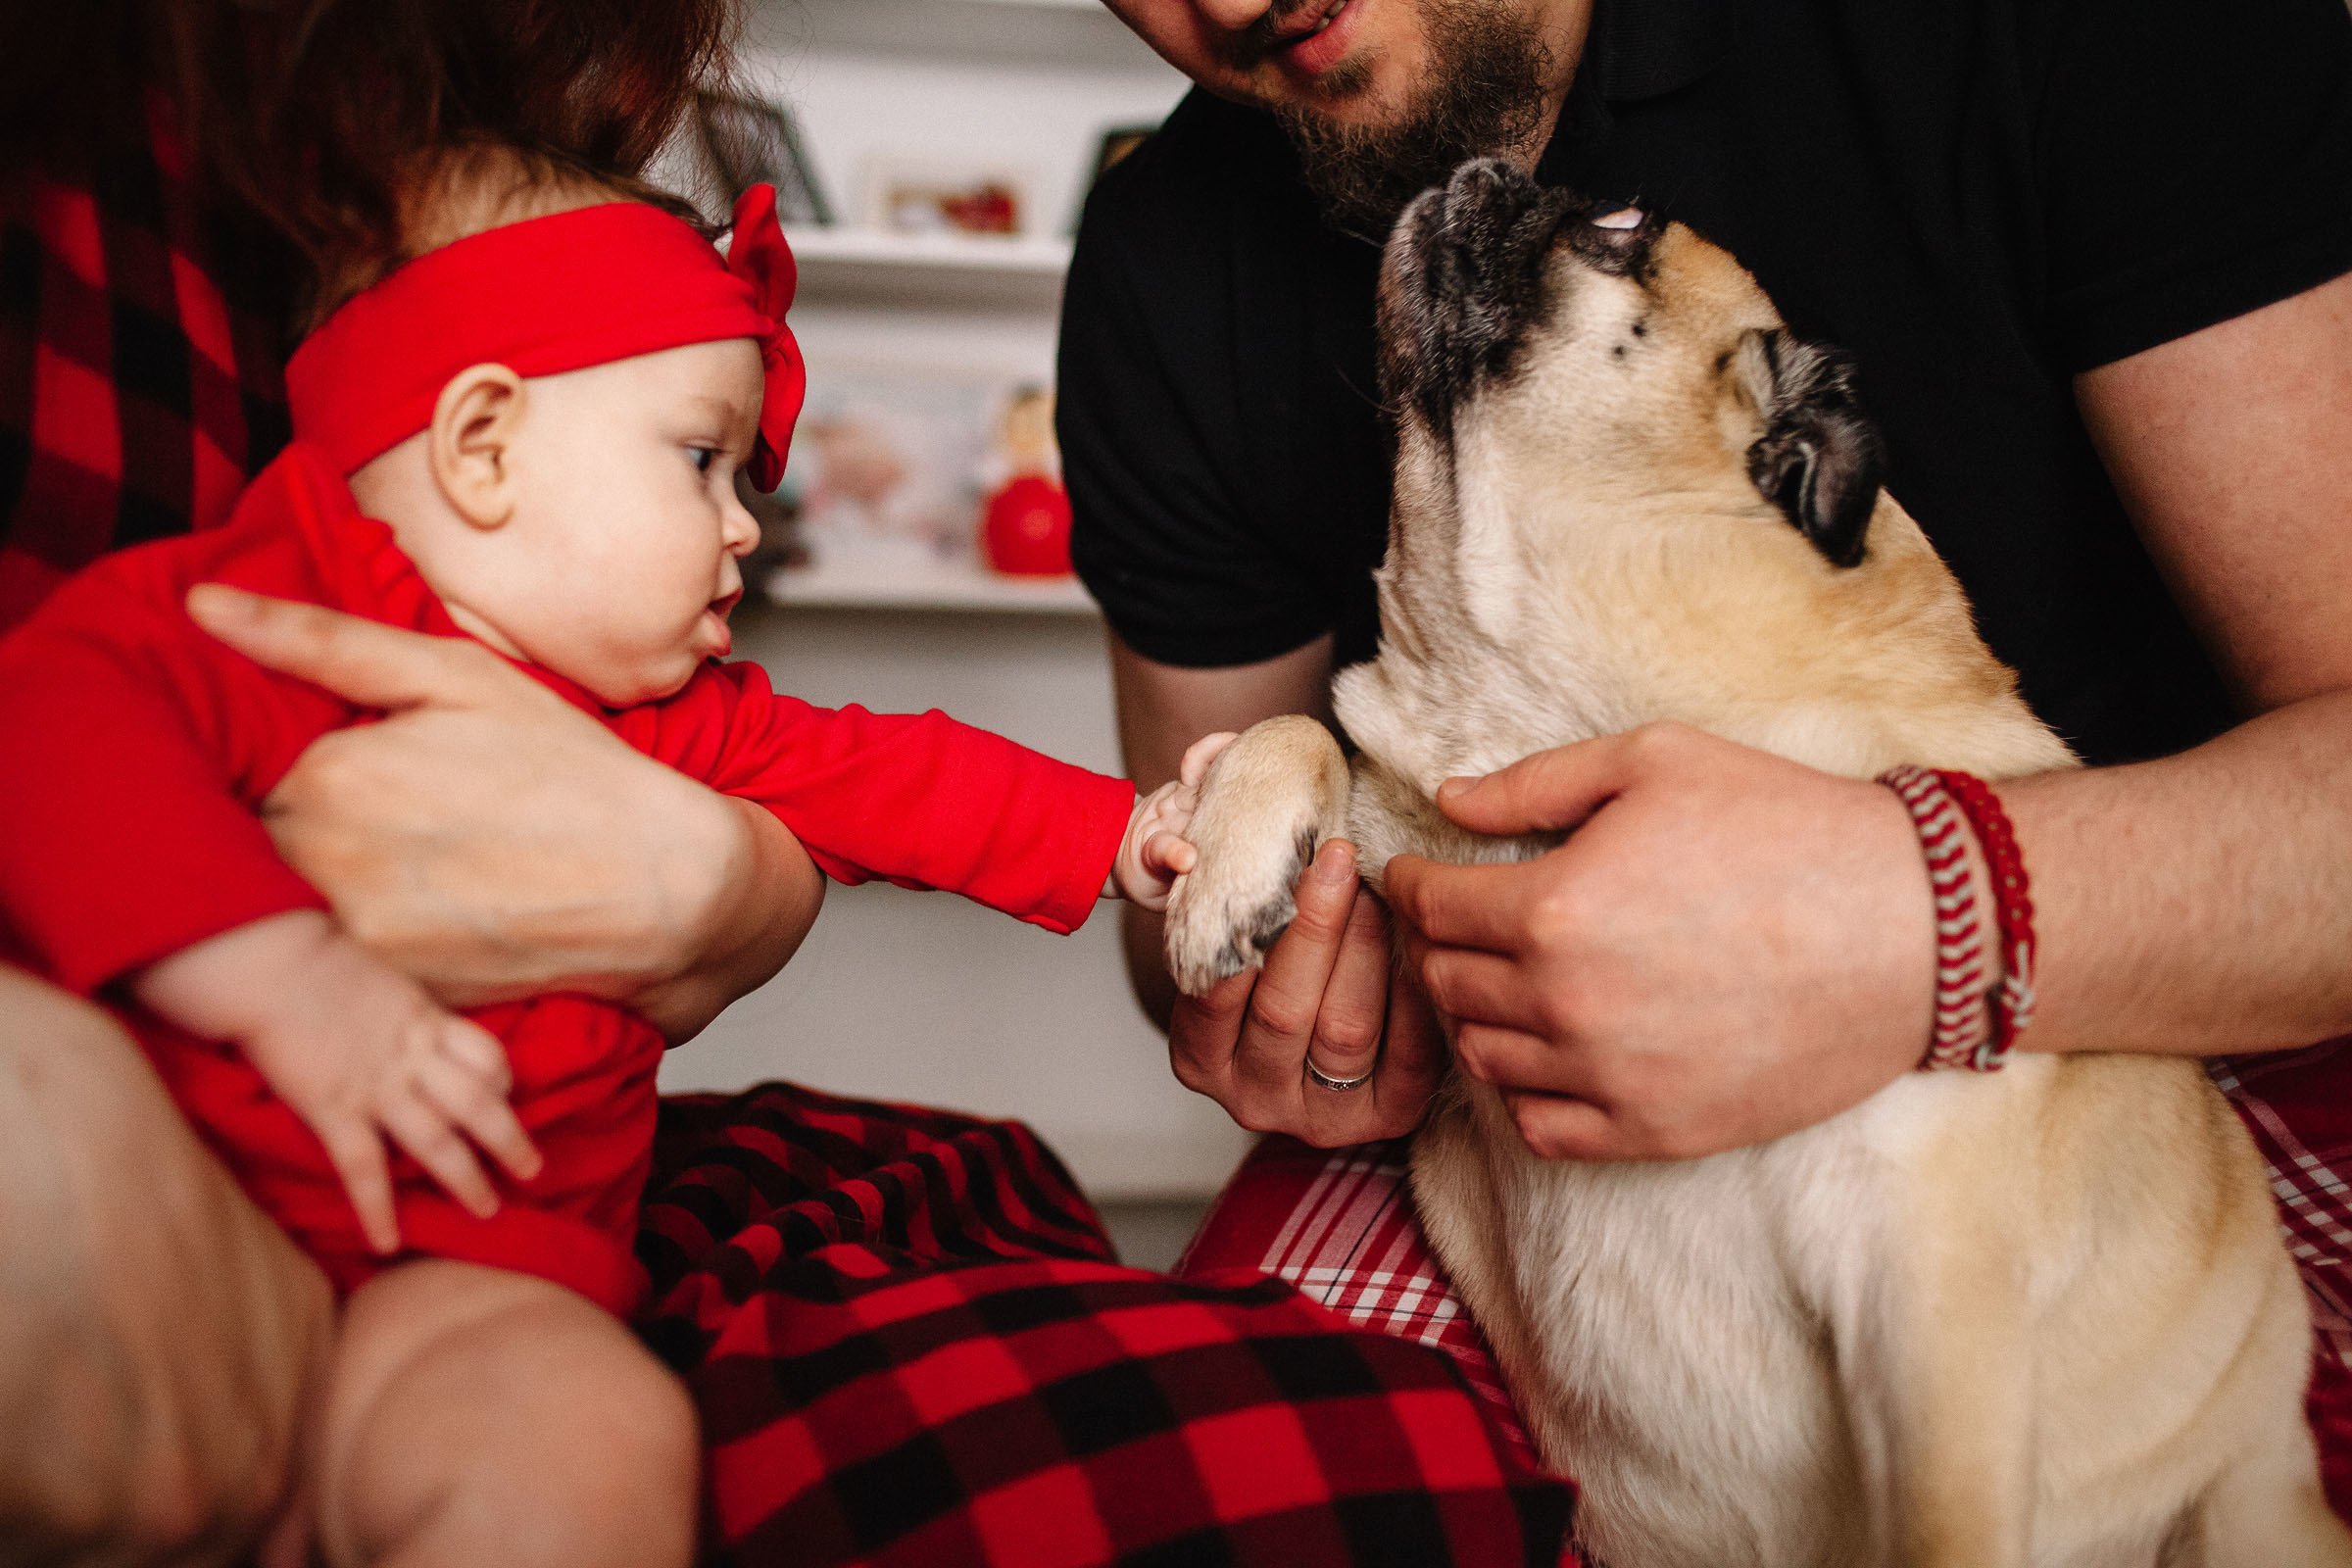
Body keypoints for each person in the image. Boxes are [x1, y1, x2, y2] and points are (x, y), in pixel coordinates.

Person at [0, 7, 1576, 1565]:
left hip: (485, 1281)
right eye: (700, 463)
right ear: (482, 446)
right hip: (212, 1189)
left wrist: (1132, 835)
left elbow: (896, 774)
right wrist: (283, 978)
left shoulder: (679, 712)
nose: (747, 527)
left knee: (581, 1447)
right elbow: (59, 724)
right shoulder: (268, 608)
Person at [1062, 0, 2352, 1505]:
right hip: (1492, 1120)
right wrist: (1294, 993)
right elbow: (1188, 923)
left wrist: (1914, 911)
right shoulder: (1164, 258)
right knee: (1165, 1495)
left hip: (2232, 1017)